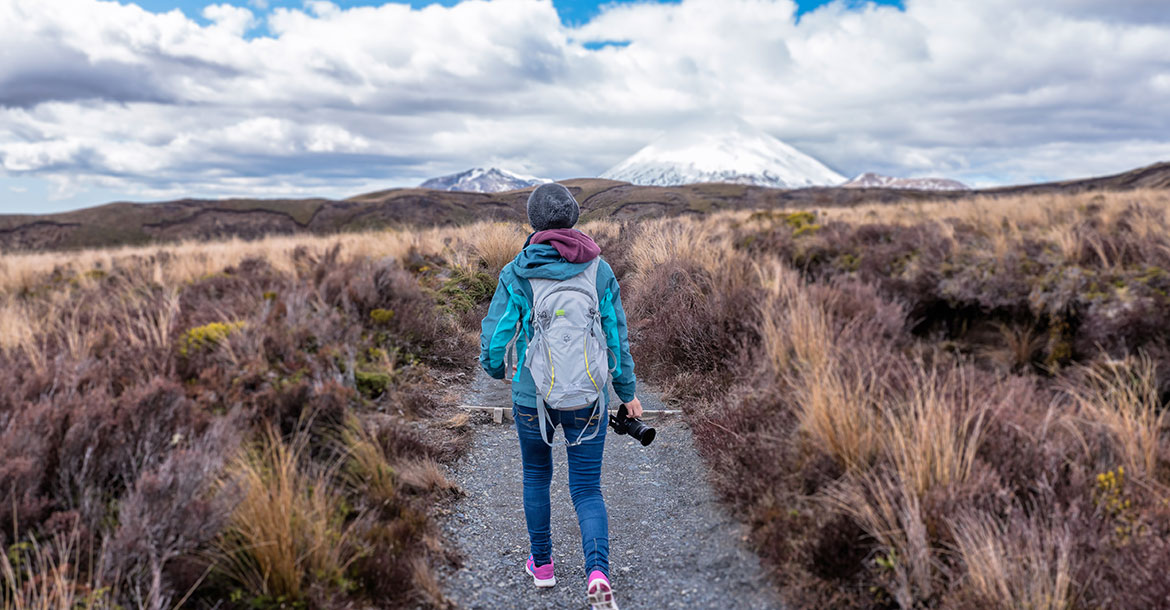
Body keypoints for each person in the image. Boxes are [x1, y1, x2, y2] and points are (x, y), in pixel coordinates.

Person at [480, 182, 641, 610]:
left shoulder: (517, 271)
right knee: (587, 489)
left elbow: (496, 340)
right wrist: (626, 393)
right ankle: (597, 572)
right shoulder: (600, 270)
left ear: (534, 222)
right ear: (572, 218)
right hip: (588, 397)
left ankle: (544, 567)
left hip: (533, 397)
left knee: (537, 478)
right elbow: (616, 338)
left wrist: (497, 369)